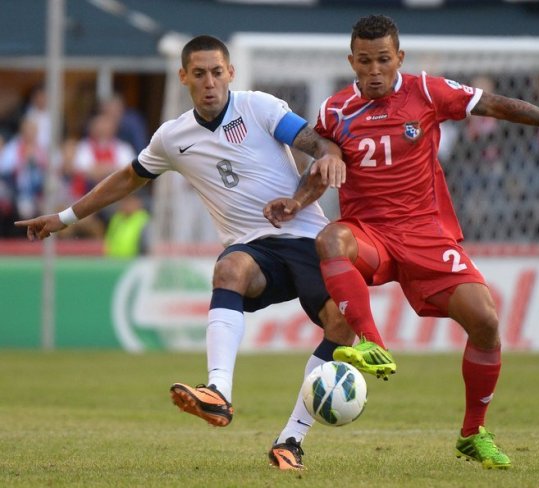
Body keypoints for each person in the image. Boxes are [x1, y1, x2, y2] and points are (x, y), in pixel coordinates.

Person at [14, 35, 394, 472]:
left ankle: (291, 439)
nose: (210, 82)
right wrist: (64, 217)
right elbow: (127, 178)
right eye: (199, 74)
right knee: (229, 267)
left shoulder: (261, 108)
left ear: (231, 72)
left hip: (307, 239)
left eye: (217, 72)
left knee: (340, 323)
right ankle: (218, 393)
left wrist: (326, 161)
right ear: (184, 78)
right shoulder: (172, 138)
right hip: (253, 250)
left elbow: (321, 145)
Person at [264, 15, 539, 470]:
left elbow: (495, 105)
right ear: (351, 60)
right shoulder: (335, 111)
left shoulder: (427, 92)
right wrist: (297, 202)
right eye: (365, 61)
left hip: (427, 234)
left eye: (383, 61)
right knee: (331, 238)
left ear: (400, 59)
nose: (374, 71)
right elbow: (325, 171)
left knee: (486, 322)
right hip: (370, 234)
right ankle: (372, 343)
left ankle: (473, 433)